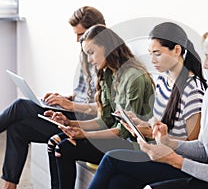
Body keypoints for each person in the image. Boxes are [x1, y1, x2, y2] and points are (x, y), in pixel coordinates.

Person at [88, 24, 208, 189]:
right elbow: (203, 148)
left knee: (115, 164)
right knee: (119, 183)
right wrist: (168, 142)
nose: (205, 65)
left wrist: (171, 158)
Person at [0, 6, 106, 189]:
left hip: (87, 122)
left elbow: (104, 107)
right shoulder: (85, 54)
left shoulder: (106, 59)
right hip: (73, 111)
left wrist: (70, 105)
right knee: (18, 128)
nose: (77, 40)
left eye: (80, 35)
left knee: (20, 106)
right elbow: (83, 93)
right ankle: (8, 187)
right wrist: (64, 98)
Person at [46, 24, 155, 189]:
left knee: (65, 148)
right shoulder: (109, 73)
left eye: (91, 53)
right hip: (117, 138)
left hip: (133, 144)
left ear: (106, 47)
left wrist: (84, 135)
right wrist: (69, 123)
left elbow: (123, 130)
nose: (90, 60)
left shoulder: (133, 77)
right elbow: (104, 119)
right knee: (55, 143)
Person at [121, 22, 208, 142]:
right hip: (157, 150)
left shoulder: (193, 90)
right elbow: (162, 124)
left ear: (177, 50)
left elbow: (194, 144)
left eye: (157, 54)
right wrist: (139, 123)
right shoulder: (162, 79)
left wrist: (152, 134)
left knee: (110, 157)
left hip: (173, 158)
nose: (152, 60)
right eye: (151, 54)